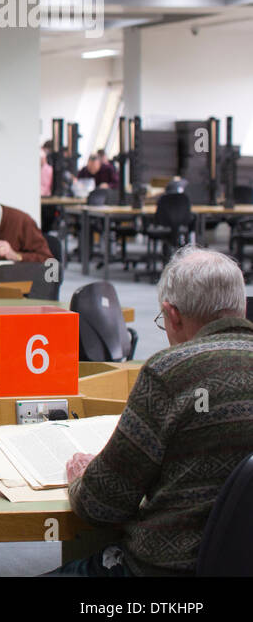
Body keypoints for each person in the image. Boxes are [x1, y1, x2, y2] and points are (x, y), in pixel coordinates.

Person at [54, 246, 253, 576]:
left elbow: (101, 506)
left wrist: (82, 478)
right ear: (241, 306)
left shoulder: (170, 371)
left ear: (172, 315)